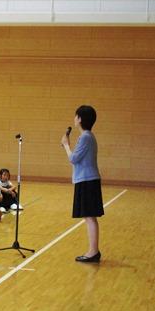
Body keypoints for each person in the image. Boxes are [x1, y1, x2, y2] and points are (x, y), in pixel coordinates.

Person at [61, 105, 104, 263]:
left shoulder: (86, 137)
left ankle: (93, 252)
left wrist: (66, 145)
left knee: (89, 217)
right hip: (87, 180)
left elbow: (73, 159)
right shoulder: (87, 137)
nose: (74, 118)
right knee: (89, 217)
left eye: (76, 116)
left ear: (80, 119)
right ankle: (93, 251)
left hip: (87, 180)